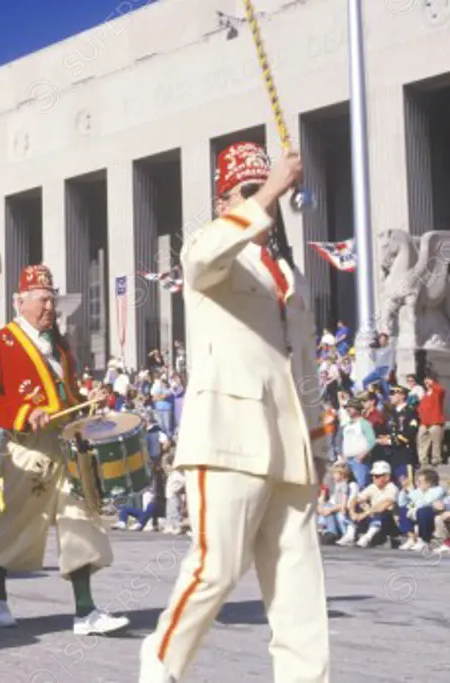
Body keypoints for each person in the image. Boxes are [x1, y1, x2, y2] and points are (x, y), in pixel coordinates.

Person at [138, 143, 330, 683]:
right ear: (225, 201)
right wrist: (270, 192)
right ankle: (158, 666)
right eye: (246, 191)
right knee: (214, 571)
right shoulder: (210, 246)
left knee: (300, 589)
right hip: (226, 437)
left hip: (288, 446)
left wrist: (319, 445)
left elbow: (306, 367)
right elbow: (200, 261)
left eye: (264, 188)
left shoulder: (286, 275)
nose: (261, 201)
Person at [0, 264, 129, 636]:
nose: (49, 307)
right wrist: (23, 414)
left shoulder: (59, 343)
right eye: (42, 299)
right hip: (27, 447)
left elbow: (67, 394)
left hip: (65, 442)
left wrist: (87, 400)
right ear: (19, 301)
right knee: (18, 521)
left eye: (52, 299)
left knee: (80, 519)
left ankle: (85, 611)